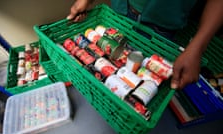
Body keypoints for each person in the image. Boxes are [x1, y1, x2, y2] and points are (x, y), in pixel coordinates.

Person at [67, 0, 223, 89]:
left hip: (162, 25)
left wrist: (197, 48)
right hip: (120, 10)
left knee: (147, 80)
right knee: (112, 66)